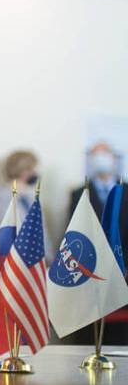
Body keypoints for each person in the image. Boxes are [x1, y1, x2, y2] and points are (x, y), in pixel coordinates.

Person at [63, 142, 128, 346]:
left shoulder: (125, 190)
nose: (101, 159)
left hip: (124, 274)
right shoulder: (79, 193)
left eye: (105, 154)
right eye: (96, 155)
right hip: (89, 274)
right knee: (89, 334)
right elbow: (75, 234)